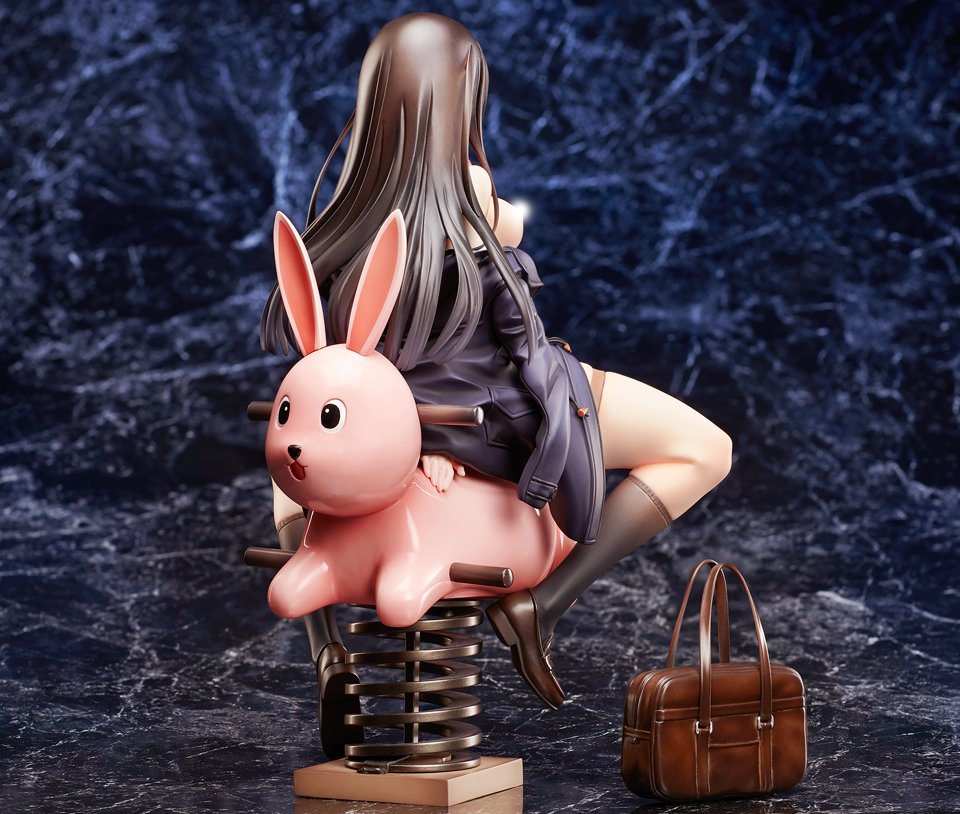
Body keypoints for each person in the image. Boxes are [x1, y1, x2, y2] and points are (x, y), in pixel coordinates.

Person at [259, 13, 731, 745]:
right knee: (701, 448)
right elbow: (510, 240)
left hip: (381, 422)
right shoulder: (473, 192)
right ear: (460, 99)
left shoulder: (341, 216)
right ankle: (546, 603)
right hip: (487, 410)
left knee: (302, 479)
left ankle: (327, 652)